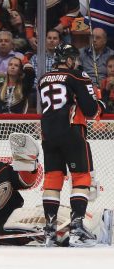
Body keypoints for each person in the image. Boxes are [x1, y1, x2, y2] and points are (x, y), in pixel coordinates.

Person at [38, 43, 105, 247]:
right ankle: (76, 229)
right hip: (71, 130)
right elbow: (91, 110)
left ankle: (49, 230)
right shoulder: (76, 76)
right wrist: (99, 100)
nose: (76, 62)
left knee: (52, 179)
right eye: (73, 58)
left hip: (48, 133)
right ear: (67, 59)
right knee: (81, 177)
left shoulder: (42, 79)